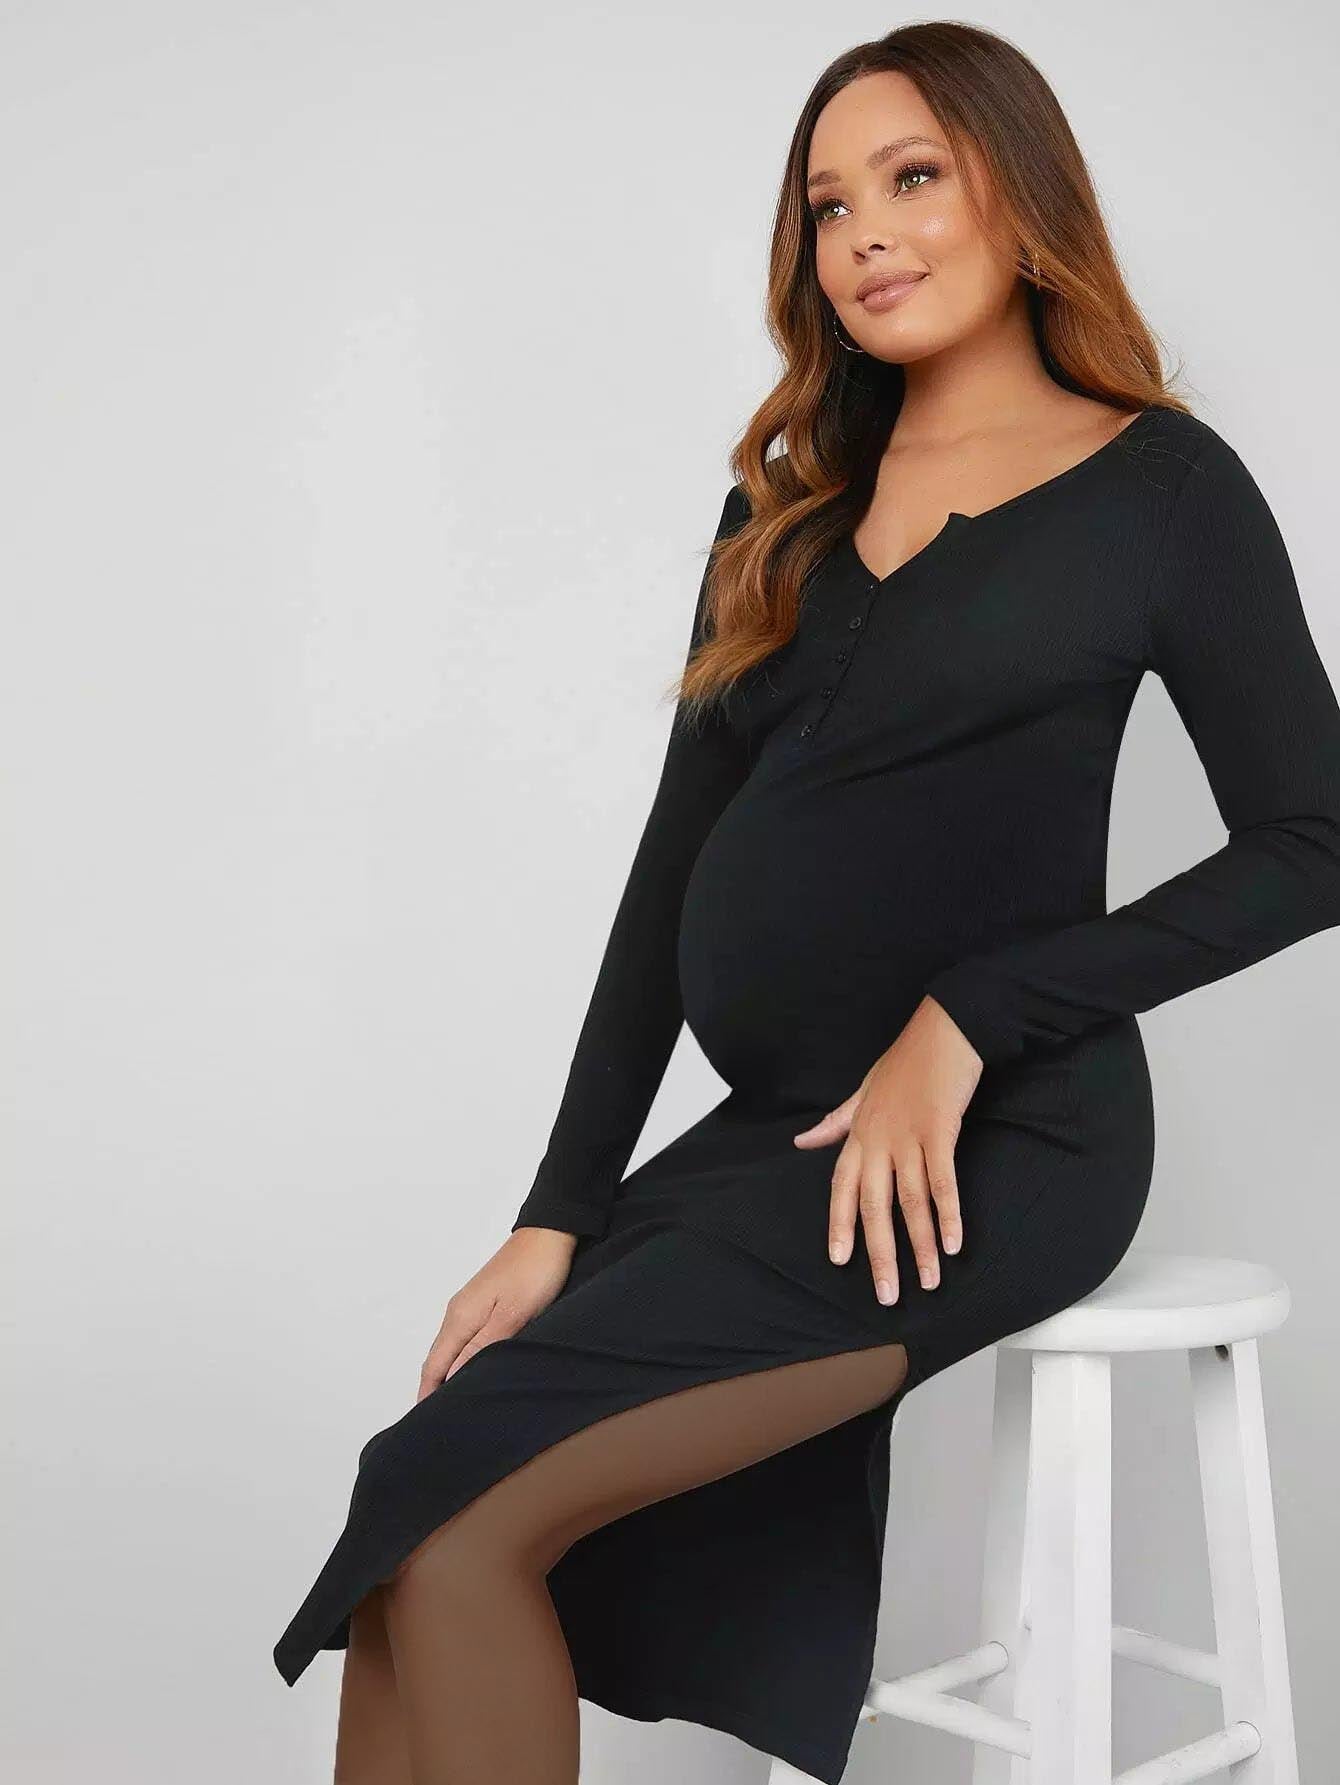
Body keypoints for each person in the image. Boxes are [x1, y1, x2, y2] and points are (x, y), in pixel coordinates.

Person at [273, 21, 1340, 1785]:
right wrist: (557, 1208)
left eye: (913, 179)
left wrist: (975, 1014)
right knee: (423, 1490)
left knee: (462, 1529)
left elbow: (1315, 836)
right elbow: (668, 875)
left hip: (993, 1151)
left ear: (1022, 193)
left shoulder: (1161, 489)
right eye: (829, 205)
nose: (864, 236)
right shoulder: (785, 508)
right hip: (770, 1142)